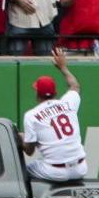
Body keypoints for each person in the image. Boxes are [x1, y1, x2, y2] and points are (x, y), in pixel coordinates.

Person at [21, 47, 86, 181]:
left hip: (55, 171)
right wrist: (63, 67)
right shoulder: (67, 104)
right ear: (55, 93)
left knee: (20, 172)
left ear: (37, 95)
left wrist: (19, 138)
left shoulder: (31, 116)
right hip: (81, 168)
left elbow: (29, 151)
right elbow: (75, 86)